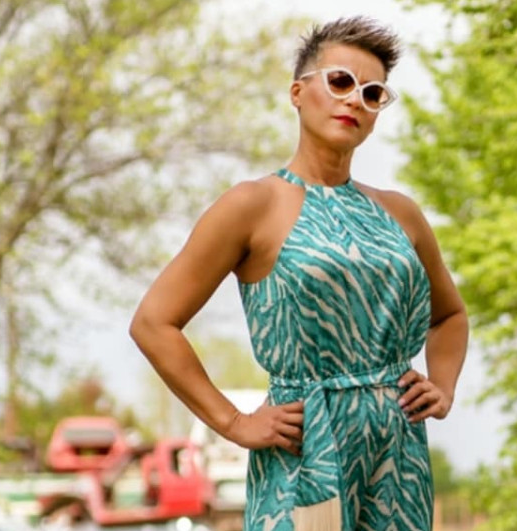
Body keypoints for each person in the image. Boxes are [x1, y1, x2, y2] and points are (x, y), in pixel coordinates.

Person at [130, 16, 468, 531]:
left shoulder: (401, 213)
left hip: (398, 452)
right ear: (297, 92)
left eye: (372, 93)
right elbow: (153, 323)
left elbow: (450, 315)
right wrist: (234, 422)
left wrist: (442, 387)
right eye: (340, 81)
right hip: (306, 444)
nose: (355, 100)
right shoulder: (253, 204)